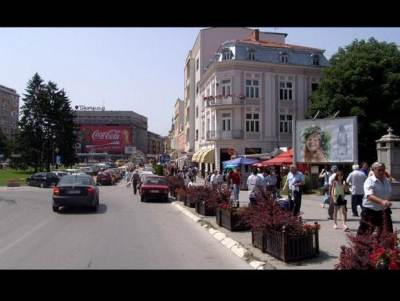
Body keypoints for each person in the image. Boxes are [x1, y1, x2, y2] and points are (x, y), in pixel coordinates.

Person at [357, 162, 393, 236]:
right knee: (364, 235)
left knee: (388, 235)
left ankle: (386, 247)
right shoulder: (369, 181)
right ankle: (361, 247)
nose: (381, 172)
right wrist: (382, 201)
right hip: (370, 211)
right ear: (373, 170)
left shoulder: (386, 180)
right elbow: (369, 195)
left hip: (384, 211)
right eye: (379, 170)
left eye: (383, 170)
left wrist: (386, 201)